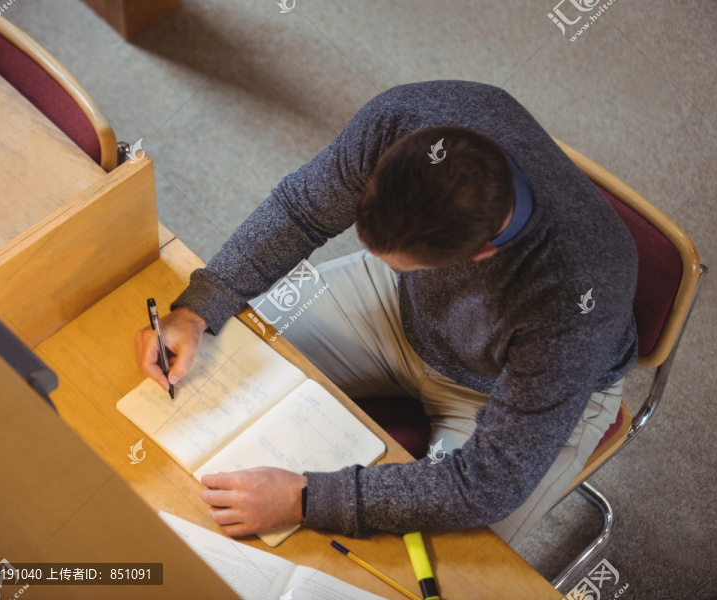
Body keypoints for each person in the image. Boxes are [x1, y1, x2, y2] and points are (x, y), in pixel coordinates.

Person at [134, 80, 638, 546]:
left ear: (478, 256)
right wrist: (201, 307)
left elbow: (488, 482)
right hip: (400, 305)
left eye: (397, 255)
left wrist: (307, 499)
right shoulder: (405, 117)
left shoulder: (575, 294)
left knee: (433, 574)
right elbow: (301, 212)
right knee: (210, 374)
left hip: (513, 386)